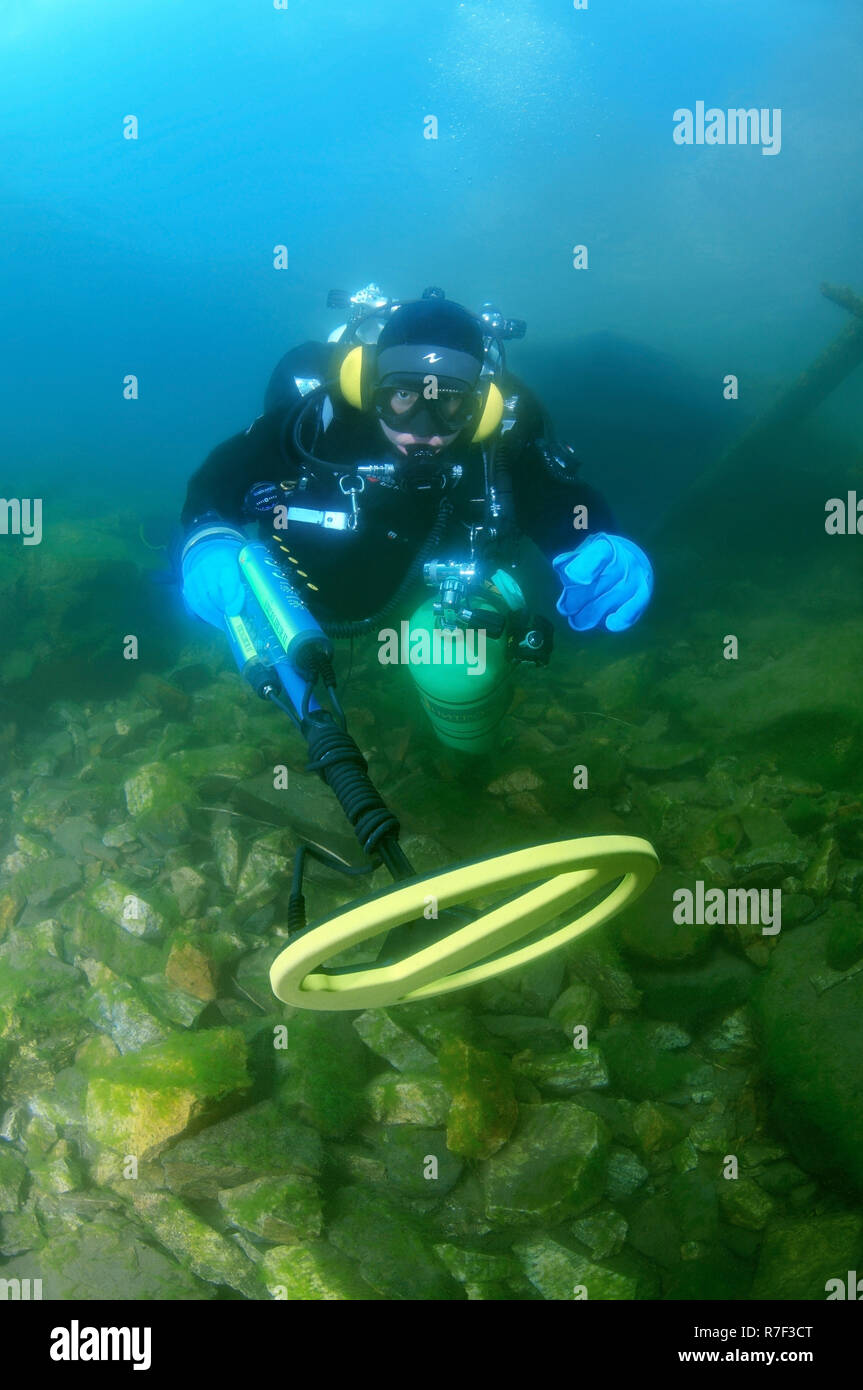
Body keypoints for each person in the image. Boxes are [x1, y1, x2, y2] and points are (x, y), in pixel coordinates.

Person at [180, 290, 653, 677]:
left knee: (460, 680)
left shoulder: (498, 436)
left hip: (436, 602)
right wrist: (207, 538)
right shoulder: (321, 419)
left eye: (449, 403)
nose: (423, 428)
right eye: (404, 395)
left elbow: (553, 495)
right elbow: (223, 476)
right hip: (309, 594)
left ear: (480, 405)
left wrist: (595, 540)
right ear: (369, 388)